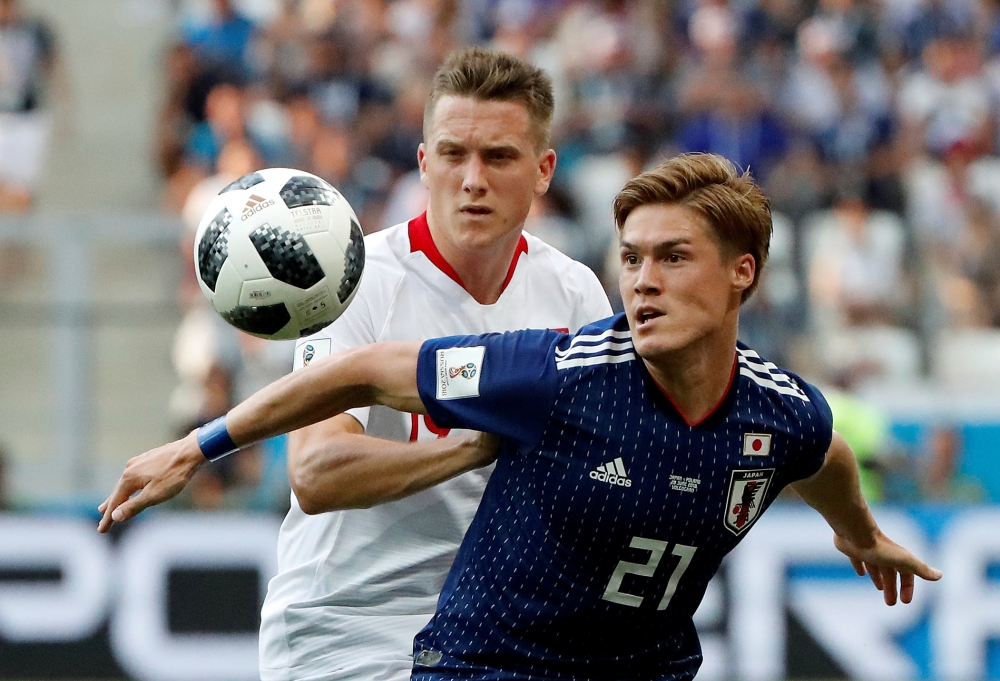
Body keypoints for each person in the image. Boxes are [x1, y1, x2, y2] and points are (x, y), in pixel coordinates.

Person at [100, 153, 940, 681]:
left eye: (673, 257)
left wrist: (858, 533)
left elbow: (822, 453)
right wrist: (199, 444)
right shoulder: (557, 372)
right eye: (633, 257)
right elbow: (364, 371)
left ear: (741, 274)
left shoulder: (779, 409)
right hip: (489, 667)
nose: (643, 279)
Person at [100, 47, 612, 681]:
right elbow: (316, 471)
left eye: (499, 156)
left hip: (493, 625)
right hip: (350, 626)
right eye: (453, 154)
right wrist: (470, 451)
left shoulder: (575, 294)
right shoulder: (355, 281)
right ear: (424, 164)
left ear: (543, 170)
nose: (472, 178)